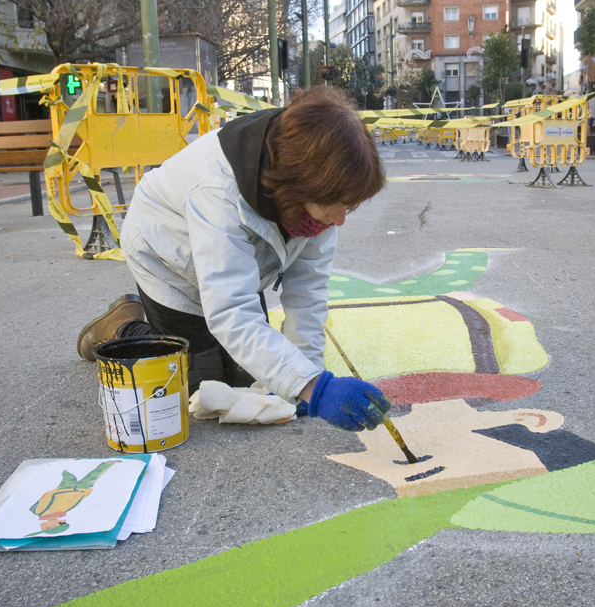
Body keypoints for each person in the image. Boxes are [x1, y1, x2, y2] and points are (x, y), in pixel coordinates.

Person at [76, 86, 392, 432]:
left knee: (249, 381)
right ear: (299, 186)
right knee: (193, 385)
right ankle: (123, 324)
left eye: (348, 205)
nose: (341, 218)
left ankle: (157, 329)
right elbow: (231, 312)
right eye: (337, 204)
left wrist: (307, 381)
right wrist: (314, 388)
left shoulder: (318, 188)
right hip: (166, 257)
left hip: (236, 262)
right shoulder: (218, 189)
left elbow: (308, 288)